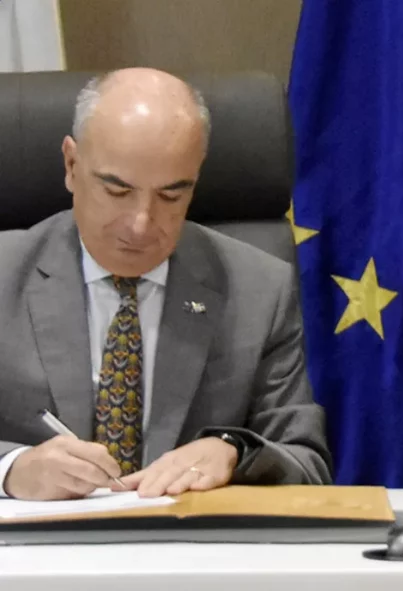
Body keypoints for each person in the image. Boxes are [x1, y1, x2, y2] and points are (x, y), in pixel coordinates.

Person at [0, 68, 332, 501]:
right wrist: (11, 470)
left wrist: (234, 452)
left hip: (188, 540)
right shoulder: (7, 272)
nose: (140, 224)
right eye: (117, 191)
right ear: (71, 165)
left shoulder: (259, 289)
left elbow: (307, 464)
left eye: (171, 196)